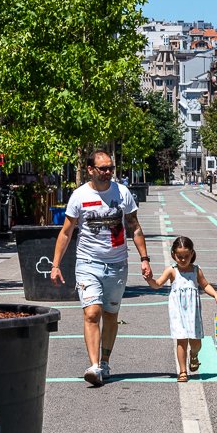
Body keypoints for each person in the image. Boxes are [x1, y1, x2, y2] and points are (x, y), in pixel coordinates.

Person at [50, 150, 152, 386]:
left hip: (117, 264)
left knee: (110, 314)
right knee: (92, 313)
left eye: (110, 168)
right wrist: (55, 265)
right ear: (90, 170)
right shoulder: (79, 196)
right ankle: (94, 366)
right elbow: (66, 232)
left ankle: (105, 361)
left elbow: (134, 227)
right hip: (88, 263)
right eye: (103, 168)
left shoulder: (122, 193)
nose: (107, 173)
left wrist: (144, 258)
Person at [146, 236, 217, 383]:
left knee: (196, 343)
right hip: (177, 312)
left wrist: (215, 295)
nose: (182, 259)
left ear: (192, 254)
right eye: (179, 256)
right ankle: (182, 371)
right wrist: (150, 279)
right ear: (174, 254)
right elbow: (158, 284)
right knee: (181, 340)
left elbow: (205, 285)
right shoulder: (172, 271)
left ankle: (193, 355)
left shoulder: (196, 270)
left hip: (193, 313)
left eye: (186, 256)